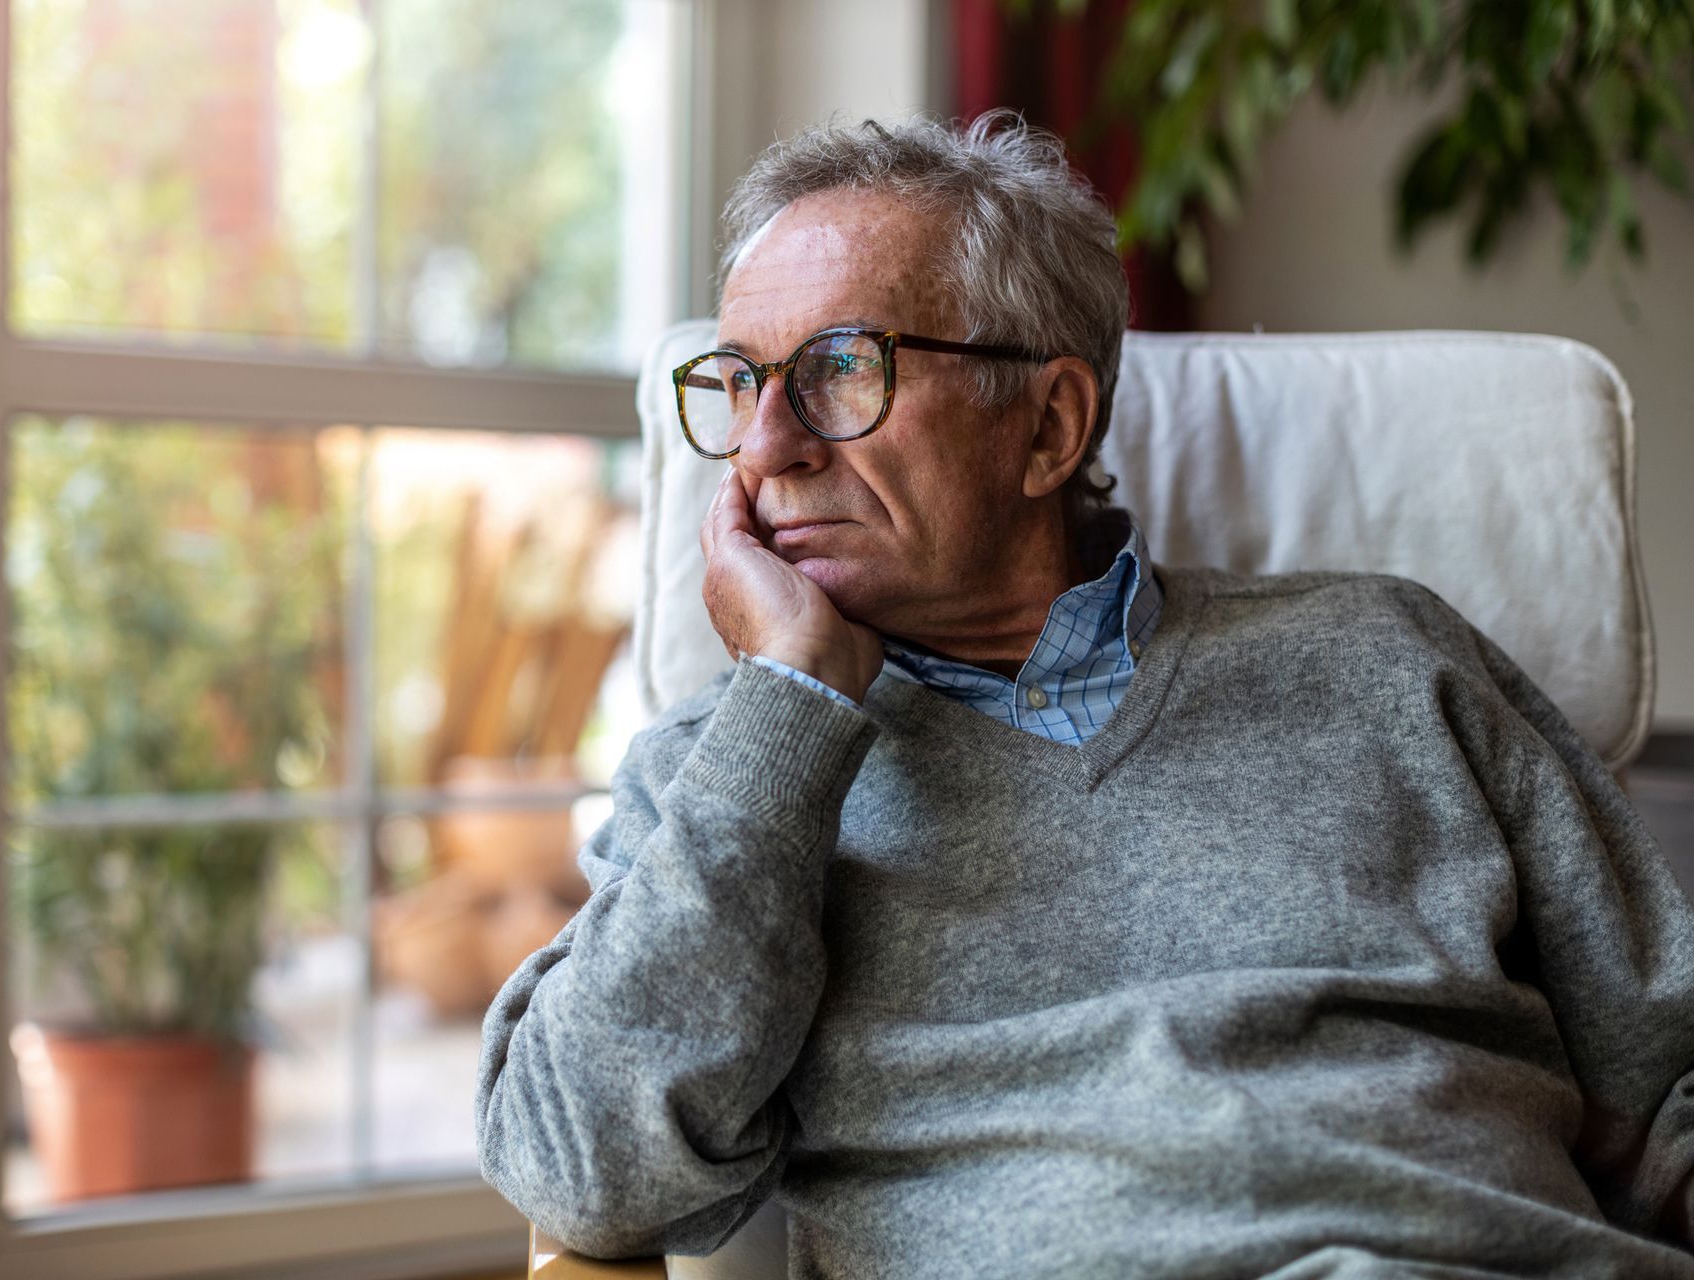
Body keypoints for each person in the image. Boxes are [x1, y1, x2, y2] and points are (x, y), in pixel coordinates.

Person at [474, 113, 1694, 1278]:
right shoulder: (730, 776)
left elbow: (1669, 1069)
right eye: (740, 382)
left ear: (1050, 425)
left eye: (842, 369)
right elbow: (584, 1169)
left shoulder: (1391, 655)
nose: (764, 447)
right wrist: (790, 704)